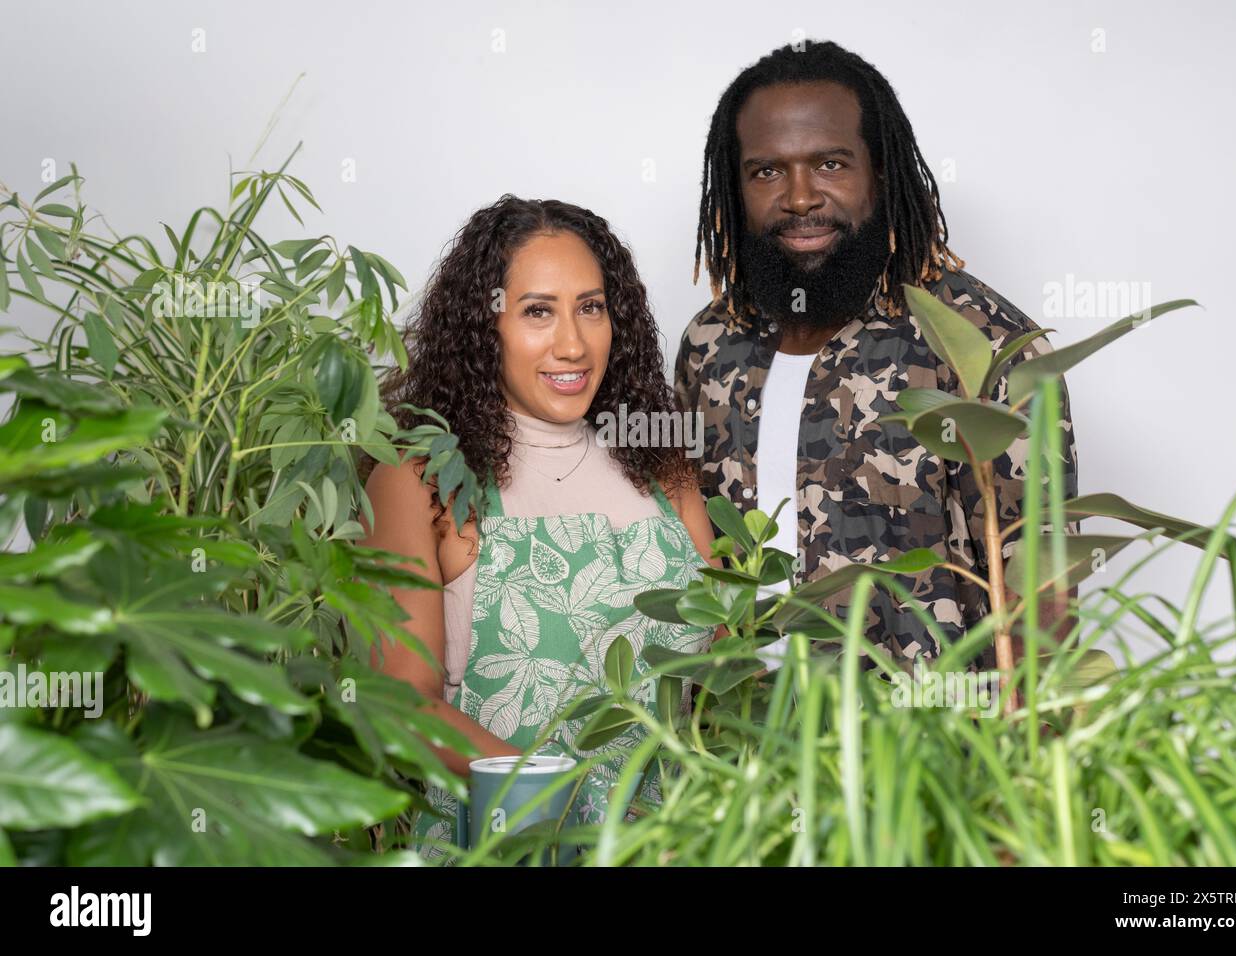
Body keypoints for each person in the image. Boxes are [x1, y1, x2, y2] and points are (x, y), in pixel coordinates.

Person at [674, 40, 1080, 674]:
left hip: (921, 752)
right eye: (767, 171)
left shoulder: (983, 340)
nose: (801, 197)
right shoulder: (710, 344)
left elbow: (1041, 587)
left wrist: (1030, 751)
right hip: (739, 746)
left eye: (831, 164)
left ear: (881, 172)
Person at [360, 196, 718, 861]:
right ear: (483, 326)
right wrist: (563, 798)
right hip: (504, 842)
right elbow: (399, 703)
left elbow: (728, 658)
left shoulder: (660, 463)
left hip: (674, 845)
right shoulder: (420, 478)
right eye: (536, 312)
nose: (573, 344)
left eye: (590, 307)